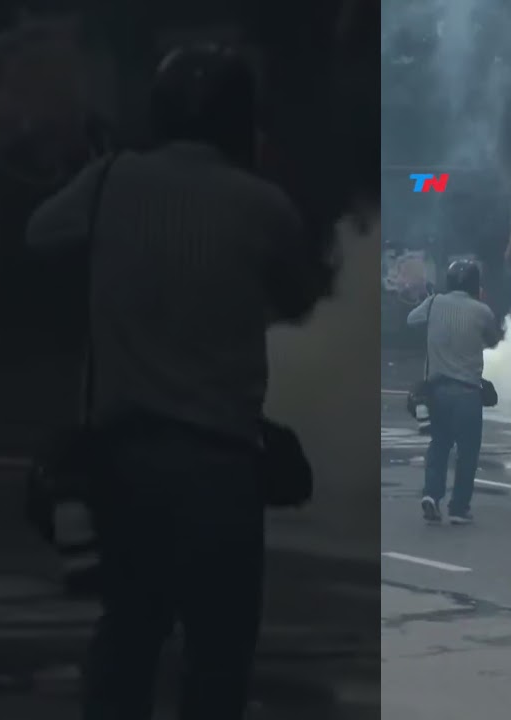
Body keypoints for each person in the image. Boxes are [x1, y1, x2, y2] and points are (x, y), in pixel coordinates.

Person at [26, 45, 325, 720]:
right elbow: (303, 298)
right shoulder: (264, 205)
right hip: (224, 475)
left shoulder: (109, 182)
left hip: (126, 468)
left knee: (127, 645)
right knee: (219, 665)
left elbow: (40, 236)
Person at [407, 259, 500, 525]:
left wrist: (429, 303)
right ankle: (458, 508)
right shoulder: (482, 311)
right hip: (468, 394)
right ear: (475, 284)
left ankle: (432, 496)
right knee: (467, 453)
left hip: (436, 392)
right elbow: (493, 340)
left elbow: (411, 320)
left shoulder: (434, 303)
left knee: (439, 446)